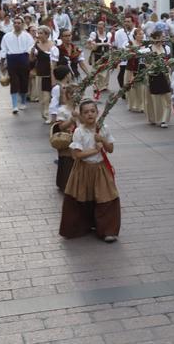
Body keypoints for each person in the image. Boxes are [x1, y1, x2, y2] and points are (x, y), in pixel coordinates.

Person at [59, 100, 121, 243]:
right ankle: (82, 226)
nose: (90, 114)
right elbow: (76, 155)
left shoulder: (103, 128)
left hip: (100, 169)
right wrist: (95, 149)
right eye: (86, 112)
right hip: (82, 170)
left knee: (107, 197)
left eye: (92, 111)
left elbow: (110, 149)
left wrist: (102, 140)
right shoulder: (79, 132)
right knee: (81, 197)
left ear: (97, 112)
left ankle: (108, 231)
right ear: (80, 115)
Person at [0, 16, 35, 114]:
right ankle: (14, 105)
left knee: (24, 81)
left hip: (24, 58)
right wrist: (2, 64)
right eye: (15, 23)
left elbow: (31, 48)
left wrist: (30, 60)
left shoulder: (27, 36)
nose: (17, 24)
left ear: (22, 24)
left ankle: (23, 101)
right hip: (12, 59)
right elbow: (3, 50)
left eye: (19, 23)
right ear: (13, 24)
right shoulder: (7, 36)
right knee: (14, 82)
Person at [145, 31, 172, 128]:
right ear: (156, 38)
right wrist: (154, 66)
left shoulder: (166, 48)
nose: (163, 39)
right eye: (162, 37)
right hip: (154, 75)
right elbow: (147, 64)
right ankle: (156, 118)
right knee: (156, 98)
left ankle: (164, 120)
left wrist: (168, 66)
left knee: (167, 98)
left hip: (164, 75)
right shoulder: (149, 49)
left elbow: (169, 61)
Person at [31, 26, 56, 123]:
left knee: (47, 97)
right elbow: (32, 59)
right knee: (42, 97)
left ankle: (49, 114)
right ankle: (45, 114)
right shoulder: (36, 45)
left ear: (47, 34)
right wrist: (32, 52)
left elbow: (54, 62)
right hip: (40, 74)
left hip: (50, 74)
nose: (39, 35)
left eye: (41, 33)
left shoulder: (53, 45)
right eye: (38, 33)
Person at [87, 21, 112, 99]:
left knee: (106, 70)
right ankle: (96, 86)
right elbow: (91, 42)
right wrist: (97, 44)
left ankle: (104, 86)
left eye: (102, 26)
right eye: (99, 26)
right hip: (97, 55)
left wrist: (99, 44)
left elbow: (110, 44)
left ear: (104, 27)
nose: (100, 27)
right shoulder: (94, 34)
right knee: (96, 70)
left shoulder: (108, 34)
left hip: (105, 55)